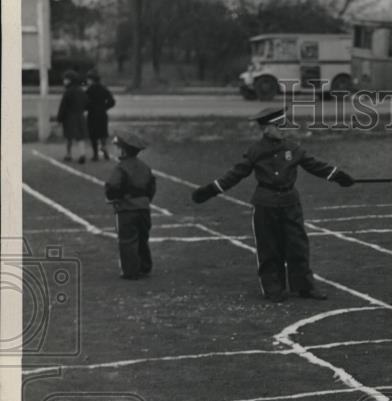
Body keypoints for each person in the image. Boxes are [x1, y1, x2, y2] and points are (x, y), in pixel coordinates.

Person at [190, 107, 355, 302]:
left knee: (298, 245)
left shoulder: (293, 148)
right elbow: (236, 174)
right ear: (266, 128)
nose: (284, 128)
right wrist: (211, 190)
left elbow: (315, 165)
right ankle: (273, 287)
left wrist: (338, 176)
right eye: (279, 125)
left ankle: (304, 286)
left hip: (290, 203)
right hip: (265, 204)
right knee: (268, 247)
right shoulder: (255, 151)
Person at [105, 130, 155, 280]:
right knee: (142, 238)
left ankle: (131, 271)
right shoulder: (145, 167)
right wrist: (145, 201)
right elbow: (151, 187)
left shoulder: (121, 168)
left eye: (118, 147)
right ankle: (145, 266)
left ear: (124, 150)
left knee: (127, 240)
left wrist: (113, 197)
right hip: (144, 208)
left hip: (126, 209)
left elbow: (113, 185)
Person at [56, 70, 88, 164]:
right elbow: (86, 103)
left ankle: (68, 154)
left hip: (69, 117)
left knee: (68, 136)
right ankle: (82, 154)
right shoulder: (81, 91)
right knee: (80, 136)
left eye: (65, 79)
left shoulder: (68, 92)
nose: (64, 81)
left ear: (69, 80)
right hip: (80, 115)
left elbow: (63, 106)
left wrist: (59, 119)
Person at [85, 68, 116, 161]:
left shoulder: (89, 90)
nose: (87, 81)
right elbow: (112, 101)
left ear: (91, 79)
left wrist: (88, 108)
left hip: (92, 114)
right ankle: (104, 147)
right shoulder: (104, 88)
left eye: (88, 79)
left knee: (93, 134)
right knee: (102, 133)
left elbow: (85, 102)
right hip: (102, 114)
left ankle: (95, 155)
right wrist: (105, 107)